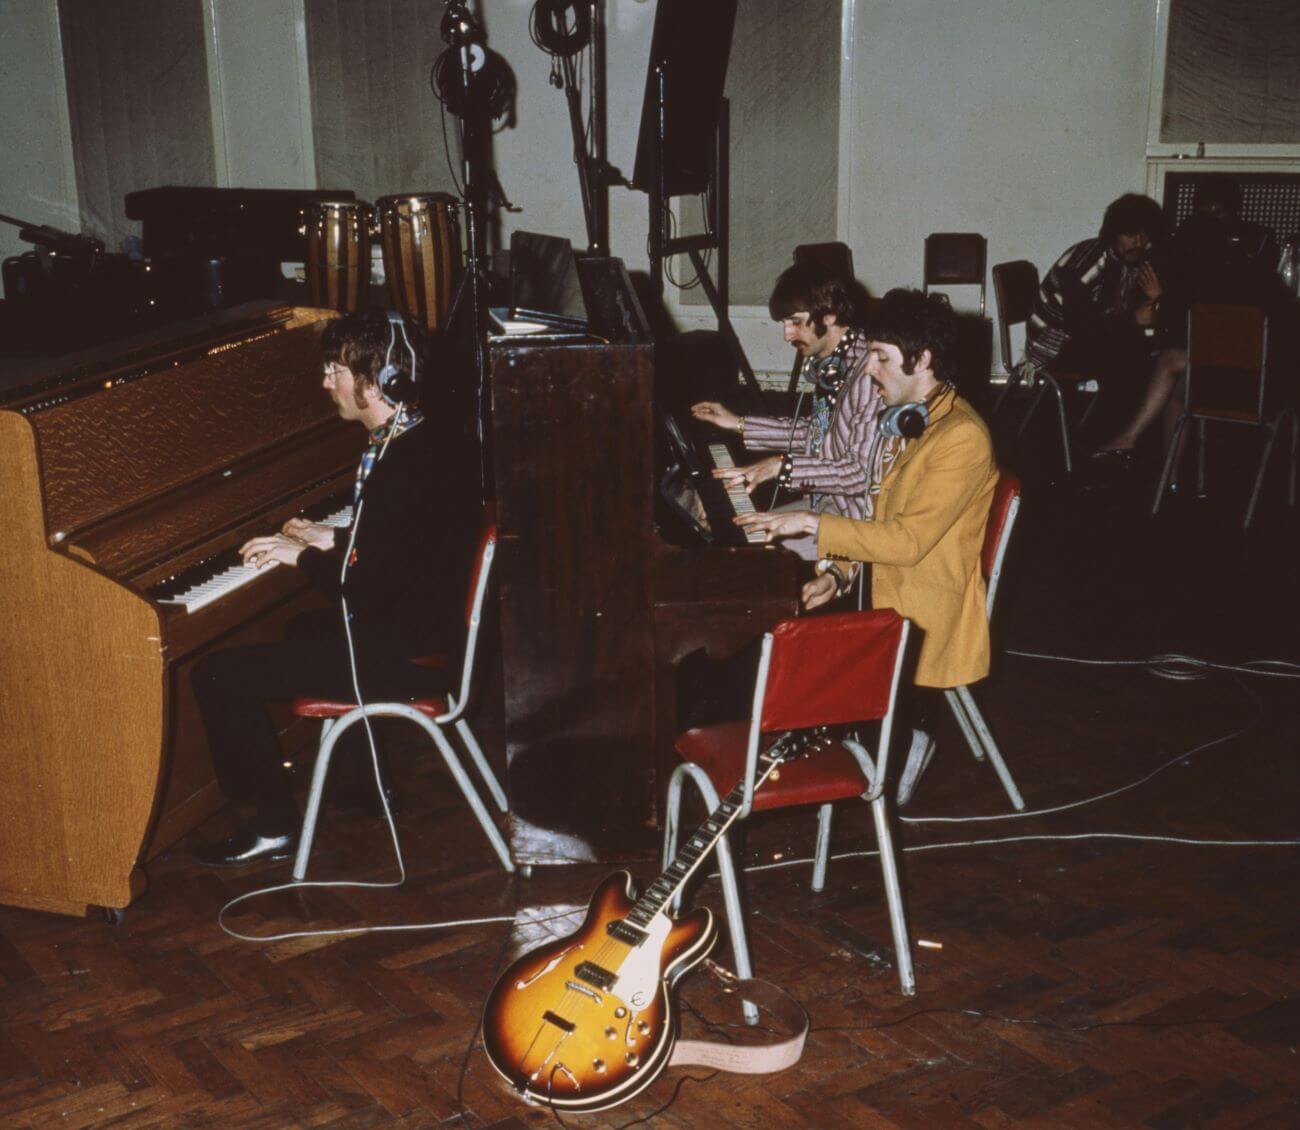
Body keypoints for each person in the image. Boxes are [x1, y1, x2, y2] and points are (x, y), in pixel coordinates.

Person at [190, 311, 480, 867]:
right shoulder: (423, 438)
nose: (326, 382)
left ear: (381, 379)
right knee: (305, 627)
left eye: (335, 369)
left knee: (218, 675)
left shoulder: (404, 464)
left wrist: (302, 555)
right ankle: (367, 785)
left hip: (411, 656)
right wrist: (335, 535)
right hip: (429, 631)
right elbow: (408, 545)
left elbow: (367, 589)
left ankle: (273, 826)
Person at [736, 289, 997, 801]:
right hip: (880, 588)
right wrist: (837, 572)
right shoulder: (911, 418)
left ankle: (884, 745)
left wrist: (812, 523)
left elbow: (905, 541)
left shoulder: (961, 437)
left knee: (782, 663)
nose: (869, 369)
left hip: (920, 612)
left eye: (880, 357)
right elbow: (877, 514)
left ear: (922, 360)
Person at [689, 262, 882, 559]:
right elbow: (816, 434)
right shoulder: (833, 364)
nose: (787, 335)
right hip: (824, 504)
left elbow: (859, 474)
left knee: (746, 557)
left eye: (794, 321)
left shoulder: (867, 374)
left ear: (828, 315)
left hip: (853, 520)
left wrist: (781, 467)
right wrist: (738, 423)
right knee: (729, 527)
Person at [1095, 182, 1290, 461]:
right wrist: (1160, 299)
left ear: (1234, 215)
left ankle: (1130, 439)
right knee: (1177, 381)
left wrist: (1162, 301)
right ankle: (1168, 478)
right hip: (1211, 367)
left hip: (1250, 380)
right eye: (1204, 216)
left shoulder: (1251, 261)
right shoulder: (1188, 253)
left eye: (1218, 215)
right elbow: (1180, 320)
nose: (1211, 225)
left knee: (1172, 363)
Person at [1024, 193, 1167, 399]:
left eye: (1144, 236)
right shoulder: (1087, 262)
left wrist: (1157, 298)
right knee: (1128, 356)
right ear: (1113, 234)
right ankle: (1115, 422)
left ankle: (1125, 422)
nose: (1139, 242)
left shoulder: (1131, 259)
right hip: (1054, 340)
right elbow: (1081, 326)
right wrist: (1134, 319)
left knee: (1147, 351)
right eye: (1130, 235)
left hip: (1084, 334)